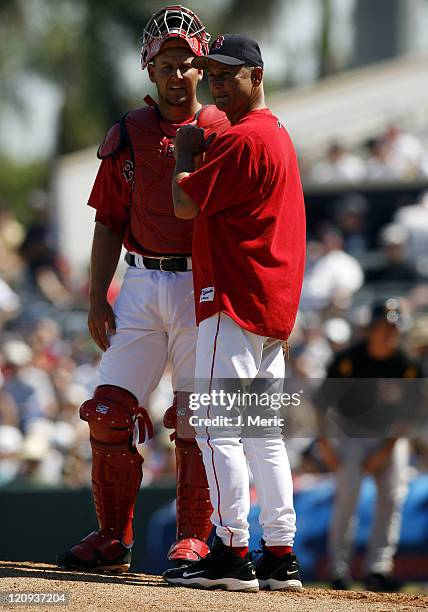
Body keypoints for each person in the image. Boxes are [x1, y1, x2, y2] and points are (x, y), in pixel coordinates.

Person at [57, 5, 229, 572]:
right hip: (139, 282)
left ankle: (194, 539)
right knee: (108, 412)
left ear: (200, 68)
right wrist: (94, 297)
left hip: (201, 286)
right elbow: (108, 219)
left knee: (196, 415)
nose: (176, 74)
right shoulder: (127, 134)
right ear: (149, 71)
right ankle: (113, 538)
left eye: (185, 64)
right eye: (165, 65)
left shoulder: (221, 130)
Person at [164, 34, 306, 592]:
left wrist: (184, 149)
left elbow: (183, 202)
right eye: (212, 75)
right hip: (269, 303)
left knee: (217, 428)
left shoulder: (246, 137)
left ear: (257, 73)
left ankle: (230, 551)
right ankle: (279, 554)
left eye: (228, 74)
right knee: (262, 436)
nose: (217, 83)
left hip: (235, 297)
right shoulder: (278, 134)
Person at [316, 299, 421, 592]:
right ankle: (338, 568)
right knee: (347, 496)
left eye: (394, 327)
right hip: (350, 434)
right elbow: (321, 404)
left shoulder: (406, 365)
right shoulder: (349, 359)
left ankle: (379, 568)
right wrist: (324, 444)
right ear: (371, 328)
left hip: (388, 436)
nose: (389, 332)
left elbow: (408, 417)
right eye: (383, 326)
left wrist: (385, 451)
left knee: (393, 495)